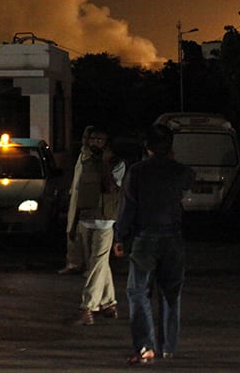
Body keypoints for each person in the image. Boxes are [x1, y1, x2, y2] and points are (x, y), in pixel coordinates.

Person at [113, 124, 195, 365]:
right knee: (171, 293)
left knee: (138, 292)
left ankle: (146, 346)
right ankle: (168, 346)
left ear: (146, 146)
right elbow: (190, 179)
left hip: (145, 237)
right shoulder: (180, 171)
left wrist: (120, 236)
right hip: (173, 237)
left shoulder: (137, 171)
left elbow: (127, 207)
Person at [70, 126, 125, 325]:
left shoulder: (116, 163)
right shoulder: (84, 160)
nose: (94, 143)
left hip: (105, 220)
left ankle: (87, 309)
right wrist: (73, 222)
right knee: (99, 264)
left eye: (99, 140)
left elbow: (112, 188)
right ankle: (109, 303)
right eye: (92, 139)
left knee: (96, 265)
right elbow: (77, 191)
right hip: (86, 217)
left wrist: (104, 162)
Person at [58, 127, 92, 276]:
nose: (85, 140)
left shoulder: (93, 157)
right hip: (75, 197)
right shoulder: (81, 155)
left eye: (88, 137)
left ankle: (88, 265)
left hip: (86, 198)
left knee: (86, 234)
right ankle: (74, 263)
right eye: (84, 137)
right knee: (72, 230)